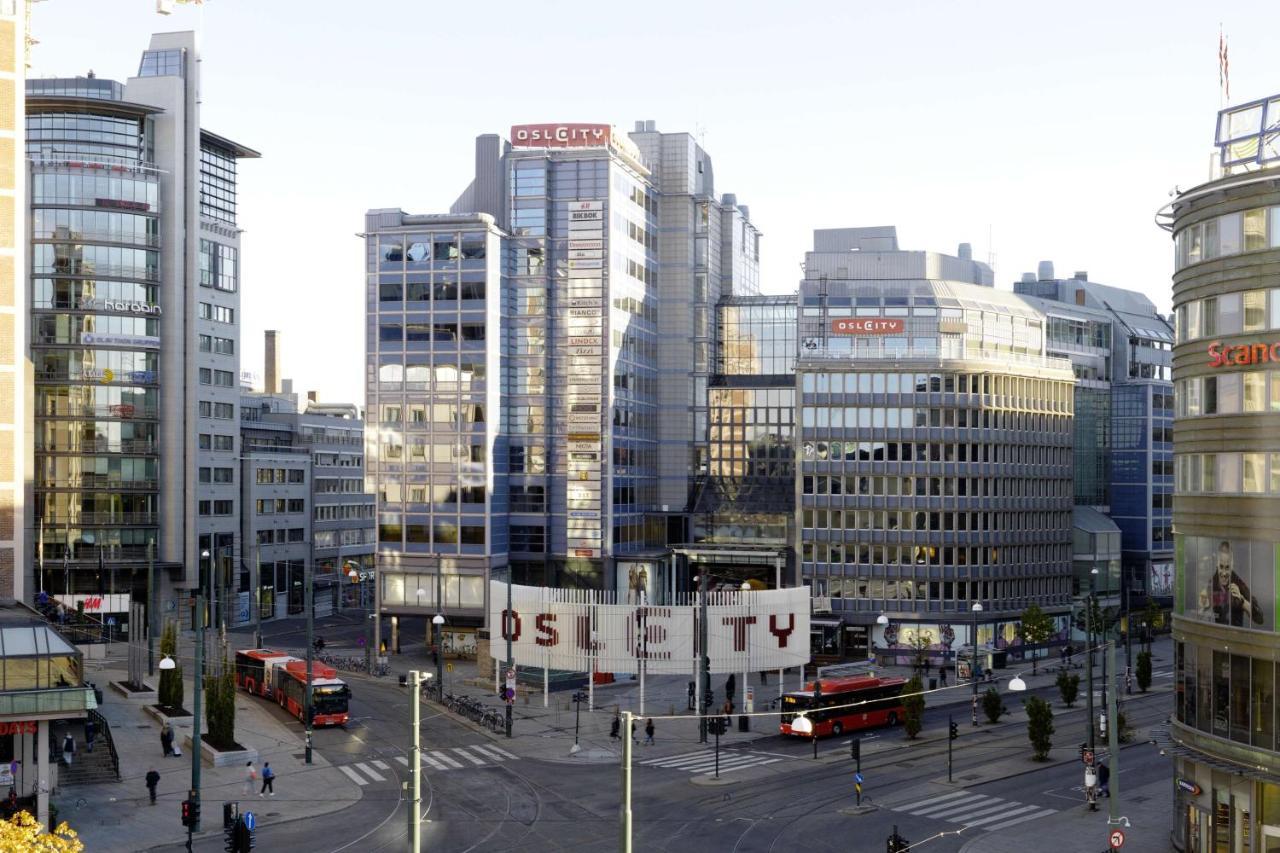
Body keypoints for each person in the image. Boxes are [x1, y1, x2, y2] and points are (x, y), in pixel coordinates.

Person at [1201, 541, 1264, 627]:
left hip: (1235, 637)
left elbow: (1260, 619)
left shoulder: (1239, 584)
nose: (1223, 573)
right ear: (1217, 564)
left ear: (1232, 565)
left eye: (1227, 568)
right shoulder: (1212, 582)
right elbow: (1202, 610)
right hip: (1218, 636)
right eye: (1221, 567)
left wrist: (1242, 601)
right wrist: (1203, 605)